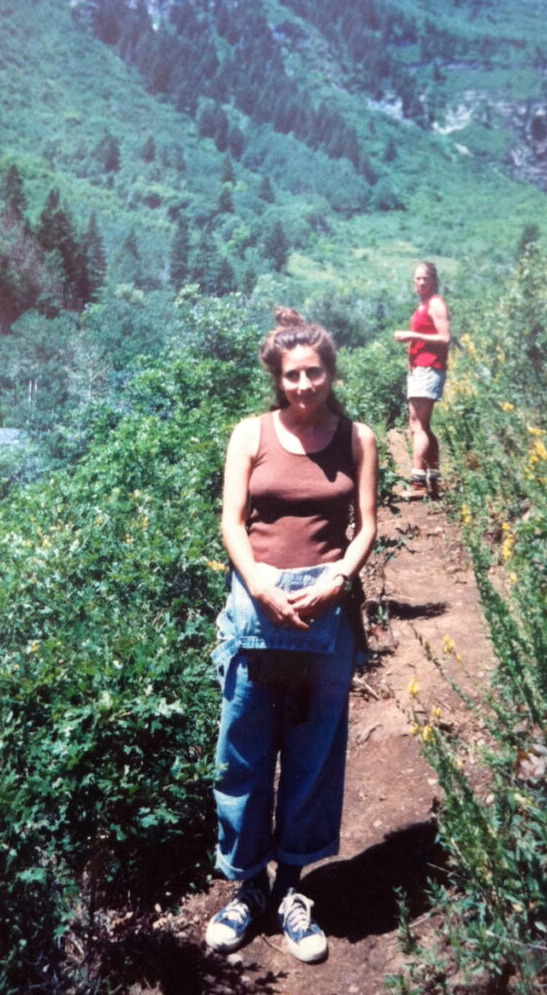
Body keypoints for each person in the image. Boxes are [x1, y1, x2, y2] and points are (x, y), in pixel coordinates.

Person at [205, 308, 378, 963]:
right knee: (244, 750)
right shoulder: (250, 434)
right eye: (293, 375)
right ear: (277, 378)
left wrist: (339, 578)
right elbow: (231, 521)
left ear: (330, 373)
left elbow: (365, 525)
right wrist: (261, 586)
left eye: (316, 373)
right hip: (257, 609)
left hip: (325, 611)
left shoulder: (356, 438)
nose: (305, 385)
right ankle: (246, 887)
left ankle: (291, 889)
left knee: (312, 755)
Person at [393, 261, 451, 499]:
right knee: (420, 425)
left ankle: (417, 482)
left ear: (434, 280)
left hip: (430, 367)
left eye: (424, 278)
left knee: (418, 426)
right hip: (420, 367)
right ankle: (433, 478)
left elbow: (445, 337)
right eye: (417, 278)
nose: (420, 282)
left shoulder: (436, 304)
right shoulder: (422, 306)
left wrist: (411, 335)